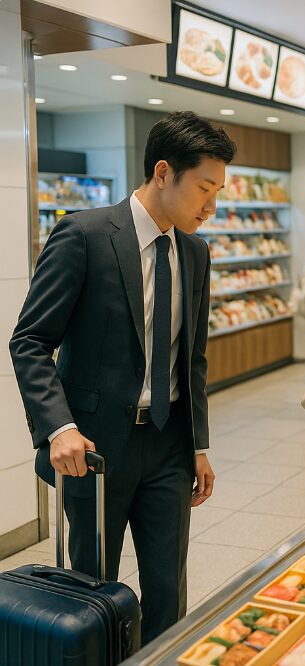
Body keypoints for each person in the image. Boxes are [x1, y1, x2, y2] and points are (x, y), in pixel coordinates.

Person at [9, 111, 231, 644]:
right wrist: (58, 427)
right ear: (162, 172)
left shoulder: (195, 252)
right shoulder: (84, 235)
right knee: (89, 597)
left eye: (218, 191)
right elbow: (30, 340)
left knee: (166, 592)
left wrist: (198, 443)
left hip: (168, 445)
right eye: (204, 188)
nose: (211, 206)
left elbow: (192, 358)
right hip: (95, 449)